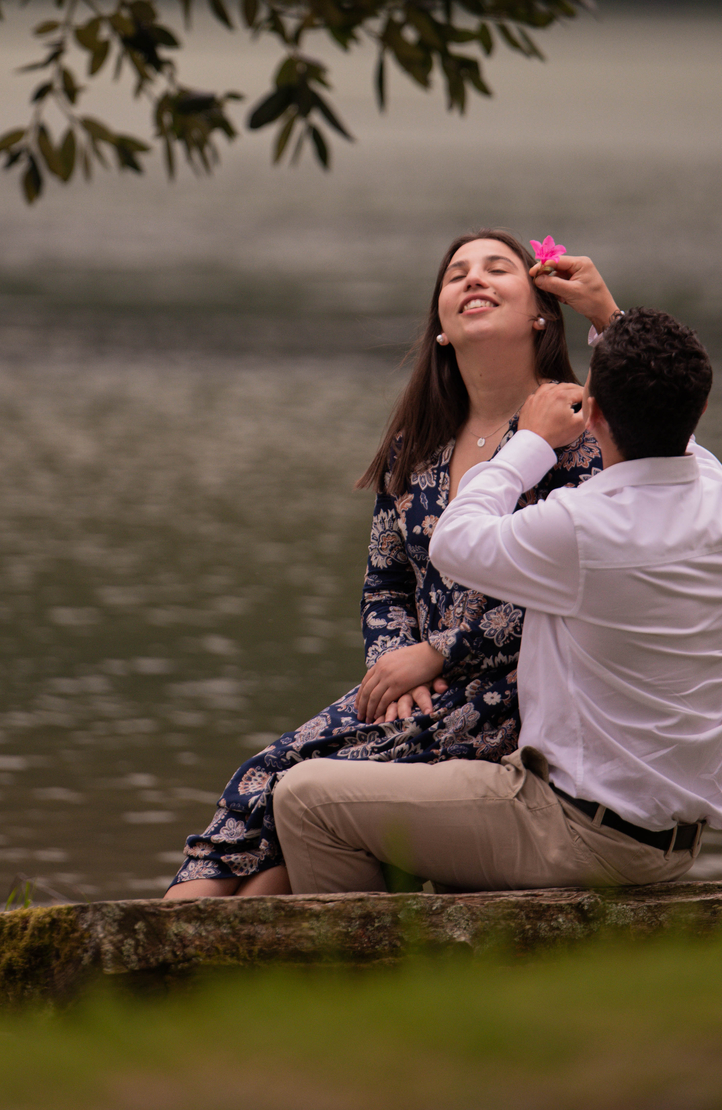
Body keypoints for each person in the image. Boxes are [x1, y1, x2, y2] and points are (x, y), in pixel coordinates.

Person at [165, 228, 620, 899]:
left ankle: (171, 973)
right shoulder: (420, 442)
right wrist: (396, 662)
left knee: (295, 809)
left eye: (498, 268)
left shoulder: (578, 432)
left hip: (512, 706)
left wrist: (437, 653)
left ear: (540, 314)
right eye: (456, 273)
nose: (473, 279)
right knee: (257, 786)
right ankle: (163, 954)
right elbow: (385, 580)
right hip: (414, 692)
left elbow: (570, 588)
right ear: (440, 327)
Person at [271, 307, 722, 894]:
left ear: (592, 412)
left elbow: (454, 538)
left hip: (576, 831)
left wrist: (527, 441)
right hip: (674, 838)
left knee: (303, 798)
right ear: (700, 410)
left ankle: (374, 980)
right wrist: (608, 316)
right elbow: (668, 408)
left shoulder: (582, 527)